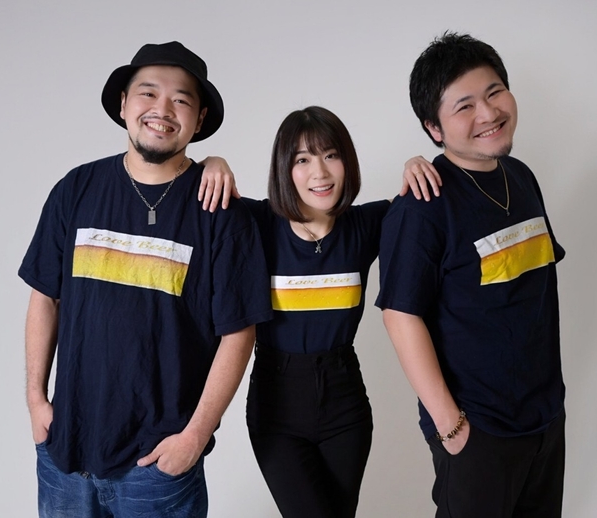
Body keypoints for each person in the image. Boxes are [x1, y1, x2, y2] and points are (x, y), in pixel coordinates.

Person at [19, 41, 272, 517]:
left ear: (199, 119)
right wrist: (36, 400)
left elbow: (239, 333)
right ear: (123, 104)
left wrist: (194, 437)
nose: (162, 109)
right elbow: (44, 298)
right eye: (148, 93)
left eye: (181, 99)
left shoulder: (220, 213)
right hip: (64, 452)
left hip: (157, 468)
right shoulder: (76, 189)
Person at [203, 106, 441, 517]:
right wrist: (213, 161)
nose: (320, 172)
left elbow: (422, 205)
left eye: (331, 155)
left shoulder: (367, 224)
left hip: (345, 404)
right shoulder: (257, 223)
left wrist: (416, 163)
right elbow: (195, 191)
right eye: (303, 160)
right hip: (276, 407)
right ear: (284, 169)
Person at [376, 32, 567, 518]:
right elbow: (400, 316)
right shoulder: (421, 207)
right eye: (464, 106)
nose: (488, 113)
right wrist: (451, 425)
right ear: (434, 128)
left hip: (544, 418)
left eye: (494, 92)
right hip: (477, 429)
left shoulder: (520, 176)